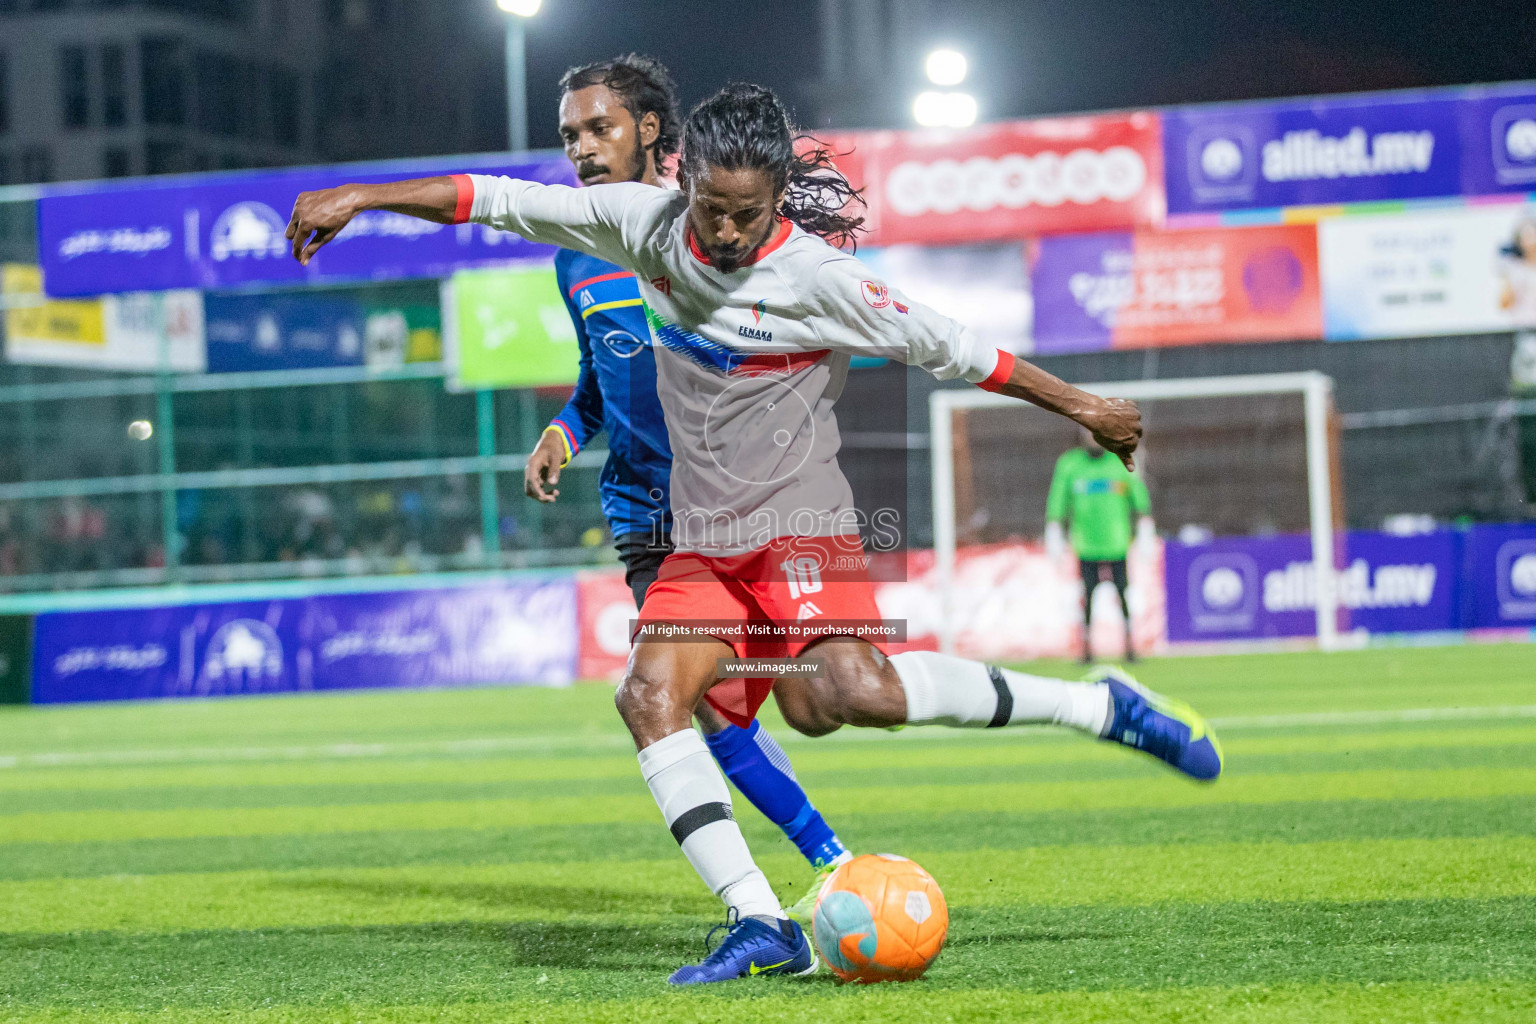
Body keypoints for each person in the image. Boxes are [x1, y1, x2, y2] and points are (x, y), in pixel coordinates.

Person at [287, 82, 1224, 987]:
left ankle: (1100, 706)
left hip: (801, 521)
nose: (722, 234)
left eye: (744, 215)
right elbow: (491, 200)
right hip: (703, 533)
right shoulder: (641, 224)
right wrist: (361, 196)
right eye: (709, 211)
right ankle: (760, 919)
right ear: (686, 183)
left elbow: (961, 348)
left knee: (847, 695)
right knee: (653, 697)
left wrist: (1086, 406)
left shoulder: (820, 278)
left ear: (778, 199)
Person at [522, 55, 854, 922]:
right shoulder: (577, 256)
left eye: (599, 129)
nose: (583, 149)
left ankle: (825, 869)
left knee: (821, 696)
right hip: (648, 513)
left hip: (745, 502)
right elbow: (600, 377)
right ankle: (818, 873)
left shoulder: (711, 229)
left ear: (652, 131)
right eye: (569, 137)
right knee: (693, 700)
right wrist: (564, 430)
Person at [1046, 428, 1154, 664]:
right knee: (1087, 598)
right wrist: (1053, 527)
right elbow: (1058, 498)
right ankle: (1085, 649)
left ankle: (1130, 646)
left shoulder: (1121, 461)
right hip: (1086, 545)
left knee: (1123, 595)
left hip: (1116, 543)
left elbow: (1138, 494)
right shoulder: (1069, 464)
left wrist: (1145, 524)